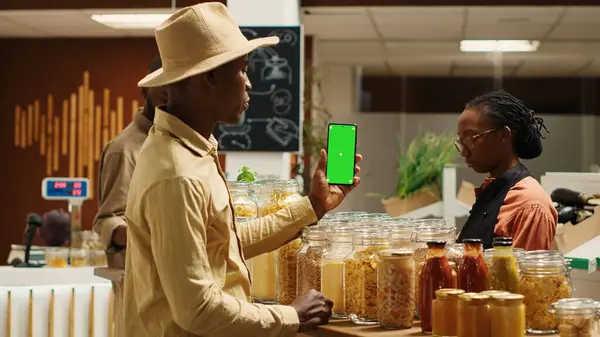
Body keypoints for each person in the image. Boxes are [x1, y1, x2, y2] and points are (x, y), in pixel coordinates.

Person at [123, 3, 362, 337]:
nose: (249, 84)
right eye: (243, 70)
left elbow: (225, 243)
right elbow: (198, 309)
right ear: (210, 77)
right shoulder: (177, 173)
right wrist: (289, 316)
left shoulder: (189, 151)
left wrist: (314, 205)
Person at [93, 56, 167, 336]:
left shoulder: (174, 142)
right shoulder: (124, 149)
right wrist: (152, 233)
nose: (168, 93)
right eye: (161, 86)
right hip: (138, 285)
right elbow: (107, 221)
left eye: (175, 86)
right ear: (144, 90)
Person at [456, 90, 557, 251]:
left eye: (471, 138)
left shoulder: (530, 204)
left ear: (503, 135)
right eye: (461, 141)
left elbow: (524, 275)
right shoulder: (492, 190)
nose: (463, 151)